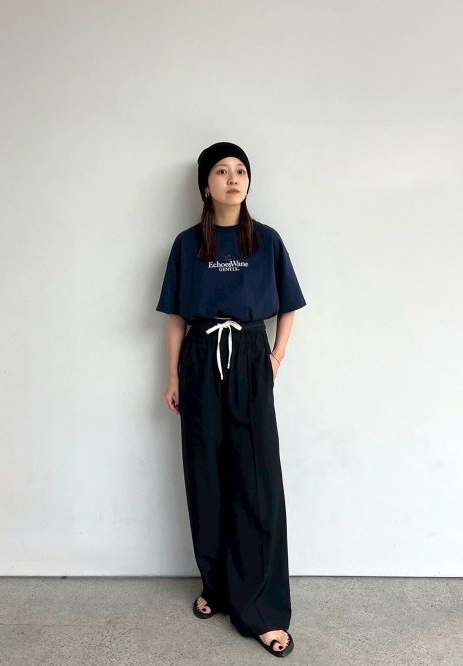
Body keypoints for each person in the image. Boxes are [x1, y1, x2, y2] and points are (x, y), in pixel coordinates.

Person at [155, 141, 306, 657]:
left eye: (240, 170)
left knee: (257, 479)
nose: (233, 178)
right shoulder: (186, 244)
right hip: (200, 357)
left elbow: (289, 305)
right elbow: (177, 315)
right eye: (221, 171)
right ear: (206, 184)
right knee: (206, 473)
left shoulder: (266, 240)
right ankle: (216, 585)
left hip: (248, 355)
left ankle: (263, 607)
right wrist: (173, 375)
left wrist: (275, 358)